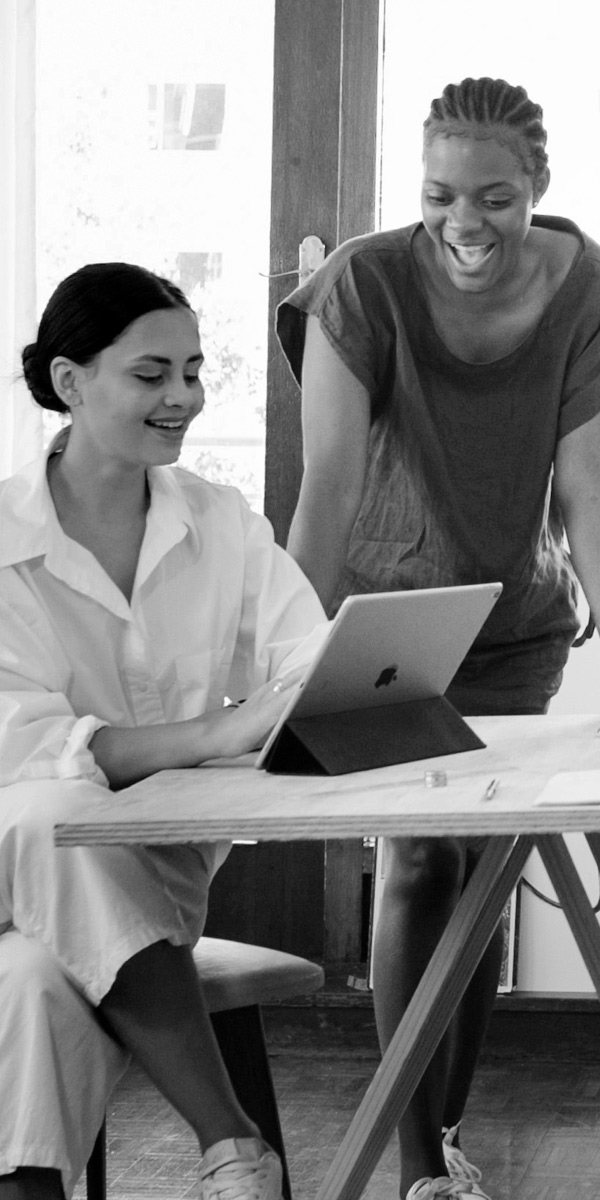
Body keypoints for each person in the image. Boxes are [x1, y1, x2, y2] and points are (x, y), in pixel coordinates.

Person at [276, 76, 600, 1200]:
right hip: (387, 614)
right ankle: (417, 1169)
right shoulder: (363, 282)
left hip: (514, 624)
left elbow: (591, 492)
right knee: (418, 856)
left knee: (482, 874)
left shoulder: (588, 283)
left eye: (497, 198)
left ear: (539, 190)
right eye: (439, 195)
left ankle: (442, 1134)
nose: (466, 224)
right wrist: (288, 662)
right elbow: (323, 486)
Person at [0, 262, 327, 1200]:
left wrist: (305, 695)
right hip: (19, 847)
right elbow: (22, 744)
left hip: (146, 875)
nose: (182, 396)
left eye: (193, 370)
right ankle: (231, 1140)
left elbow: (306, 651)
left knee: (28, 982)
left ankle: (227, 1151)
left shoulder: (220, 522)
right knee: (45, 810)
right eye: (152, 374)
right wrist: (214, 734)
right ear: (71, 381)